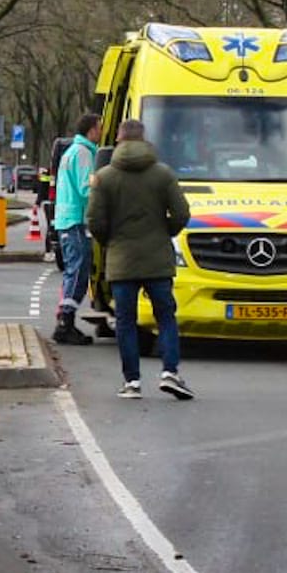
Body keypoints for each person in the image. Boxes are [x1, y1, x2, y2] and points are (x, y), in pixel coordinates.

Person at [86, 118, 193, 400]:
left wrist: (110, 241)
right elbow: (182, 214)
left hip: (122, 259)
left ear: (119, 141)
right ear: (145, 141)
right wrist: (164, 232)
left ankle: (132, 382)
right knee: (165, 317)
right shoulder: (163, 174)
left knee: (125, 322)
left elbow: (94, 219)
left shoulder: (105, 177)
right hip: (157, 258)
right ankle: (170, 372)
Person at [51, 113, 102, 346]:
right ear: (91, 130)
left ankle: (66, 320)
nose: (101, 132)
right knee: (78, 268)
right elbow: (85, 189)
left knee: (76, 268)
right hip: (74, 220)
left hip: (67, 218)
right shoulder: (83, 154)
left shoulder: (72, 151)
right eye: (99, 128)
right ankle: (65, 322)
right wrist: (101, 186)